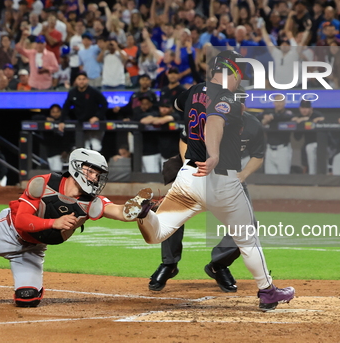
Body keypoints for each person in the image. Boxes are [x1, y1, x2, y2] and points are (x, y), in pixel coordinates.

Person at [122, 50, 295, 311]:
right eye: (238, 74)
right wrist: (214, 154)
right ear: (231, 72)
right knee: (247, 239)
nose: (239, 81)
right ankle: (267, 291)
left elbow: (181, 106)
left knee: (159, 230)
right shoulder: (229, 97)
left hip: (189, 177)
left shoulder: (193, 90)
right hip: (220, 179)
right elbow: (214, 119)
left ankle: (145, 214)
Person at [0, 149, 134, 307]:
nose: (96, 178)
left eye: (99, 174)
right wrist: (53, 223)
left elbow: (120, 212)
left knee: (27, 299)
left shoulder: (91, 201)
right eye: (93, 172)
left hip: (32, 249)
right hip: (5, 231)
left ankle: (31, 288)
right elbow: (21, 220)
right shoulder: (43, 183)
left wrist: (143, 209)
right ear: (79, 167)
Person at [149, 106, 266, 293]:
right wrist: (188, 167)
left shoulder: (253, 125)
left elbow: (258, 155)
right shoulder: (205, 117)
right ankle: (169, 264)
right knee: (170, 214)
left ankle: (218, 265)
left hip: (227, 177)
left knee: (248, 225)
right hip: (196, 171)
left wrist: (243, 175)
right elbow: (184, 140)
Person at [59, 72, 108, 151]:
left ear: (87, 80)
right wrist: (62, 121)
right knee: (85, 148)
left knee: (96, 146)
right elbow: (66, 107)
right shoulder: (72, 92)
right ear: (76, 81)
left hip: (95, 124)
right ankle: (87, 163)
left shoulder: (93, 92)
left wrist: (97, 117)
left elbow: (104, 104)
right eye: (79, 79)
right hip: (82, 124)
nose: (81, 81)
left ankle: (97, 163)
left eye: (83, 79)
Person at [292, 100, 324, 175]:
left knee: (309, 147)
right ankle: (310, 172)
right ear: (299, 108)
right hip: (308, 144)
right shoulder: (299, 118)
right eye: (302, 108)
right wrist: (298, 124)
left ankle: (312, 174)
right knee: (307, 148)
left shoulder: (317, 115)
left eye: (307, 108)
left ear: (311, 109)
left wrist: (308, 120)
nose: (304, 110)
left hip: (321, 143)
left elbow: (323, 120)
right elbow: (297, 138)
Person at [262, 100, 294, 174]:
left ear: (284, 103)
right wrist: (265, 119)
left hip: (283, 149)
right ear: (274, 103)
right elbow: (260, 118)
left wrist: (272, 117)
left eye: (281, 102)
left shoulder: (288, 113)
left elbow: (289, 117)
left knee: (283, 177)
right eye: (277, 101)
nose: (279, 104)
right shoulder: (268, 112)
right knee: (269, 177)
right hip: (269, 149)